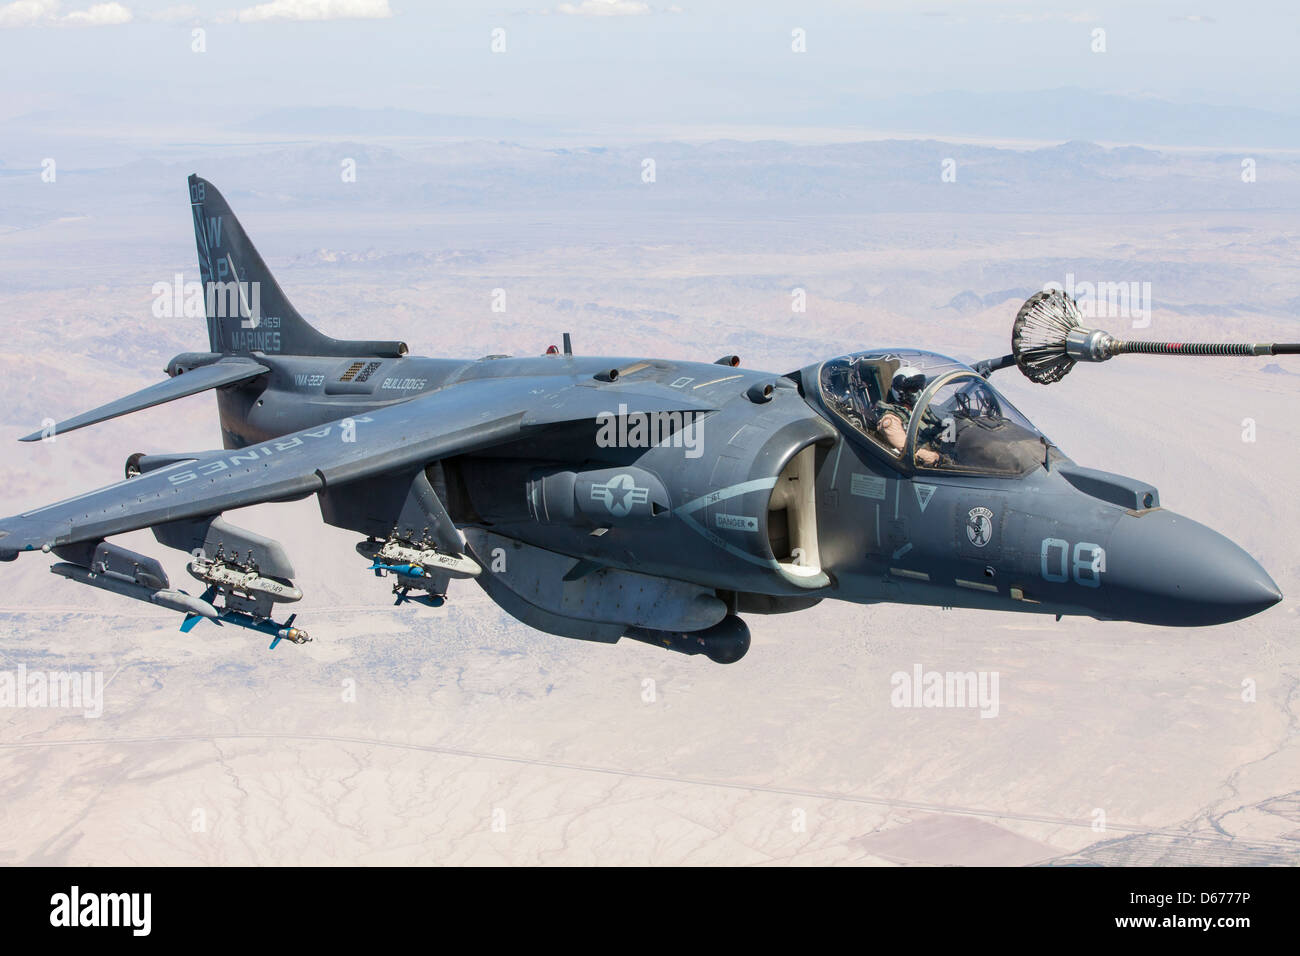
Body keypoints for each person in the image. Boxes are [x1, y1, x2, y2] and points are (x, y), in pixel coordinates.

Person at [869, 366, 941, 466]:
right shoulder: (890, 421)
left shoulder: (919, 414)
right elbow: (909, 452)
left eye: (921, 387)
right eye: (914, 389)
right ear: (901, 391)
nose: (920, 392)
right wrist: (939, 458)